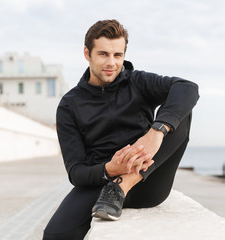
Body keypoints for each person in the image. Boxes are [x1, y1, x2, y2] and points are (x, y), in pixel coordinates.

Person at [42, 19, 199, 240]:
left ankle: (122, 186)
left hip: (147, 181)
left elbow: (188, 88)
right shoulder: (69, 105)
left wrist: (156, 132)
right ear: (87, 53)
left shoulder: (137, 82)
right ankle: (115, 187)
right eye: (103, 54)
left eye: (118, 55)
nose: (112, 63)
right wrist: (110, 169)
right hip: (102, 183)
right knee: (55, 234)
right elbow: (76, 172)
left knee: (179, 111)